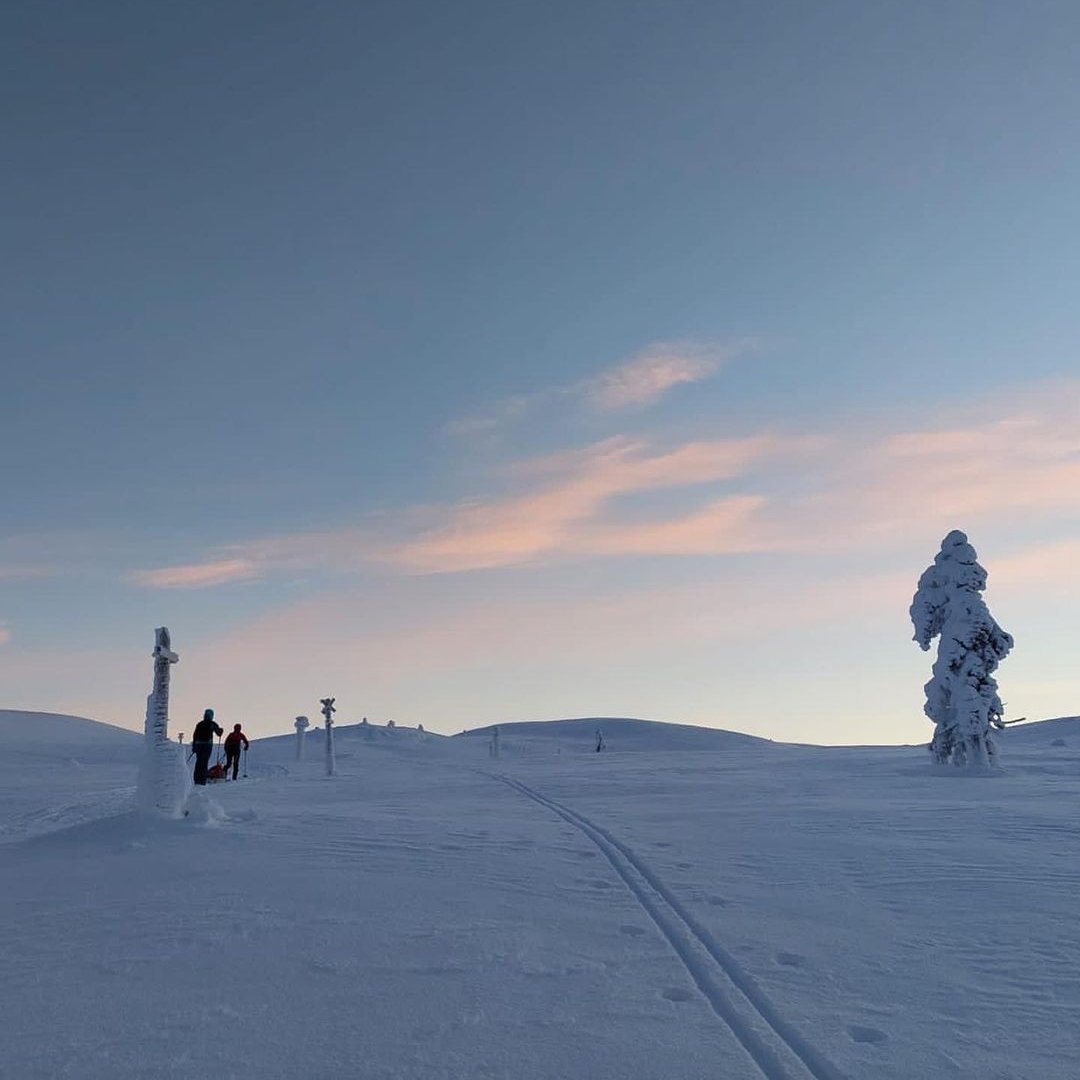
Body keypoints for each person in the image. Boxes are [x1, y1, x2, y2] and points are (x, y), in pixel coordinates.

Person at [191, 708, 223, 786]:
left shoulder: (200, 724)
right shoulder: (212, 723)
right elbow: (219, 733)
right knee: (204, 762)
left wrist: (194, 746)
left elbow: (195, 735)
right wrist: (221, 730)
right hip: (207, 745)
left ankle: (197, 780)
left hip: (198, 745)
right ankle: (202, 780)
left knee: (198, 762)